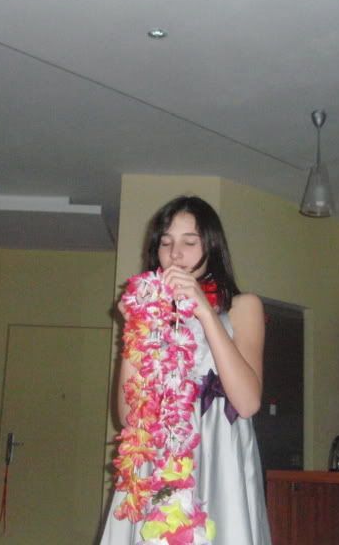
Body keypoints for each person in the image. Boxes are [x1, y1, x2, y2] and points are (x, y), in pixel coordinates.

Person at [100, 195, 272, 544]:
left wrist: (205, 311)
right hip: (158, 461)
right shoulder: (153, 315)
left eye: (189, 242)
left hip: (219, 459)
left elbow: (248, 403)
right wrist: (136, 326)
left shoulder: (243, 307)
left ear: (212, 246)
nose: (175, 254)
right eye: (166, 243)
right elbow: (129, 419)